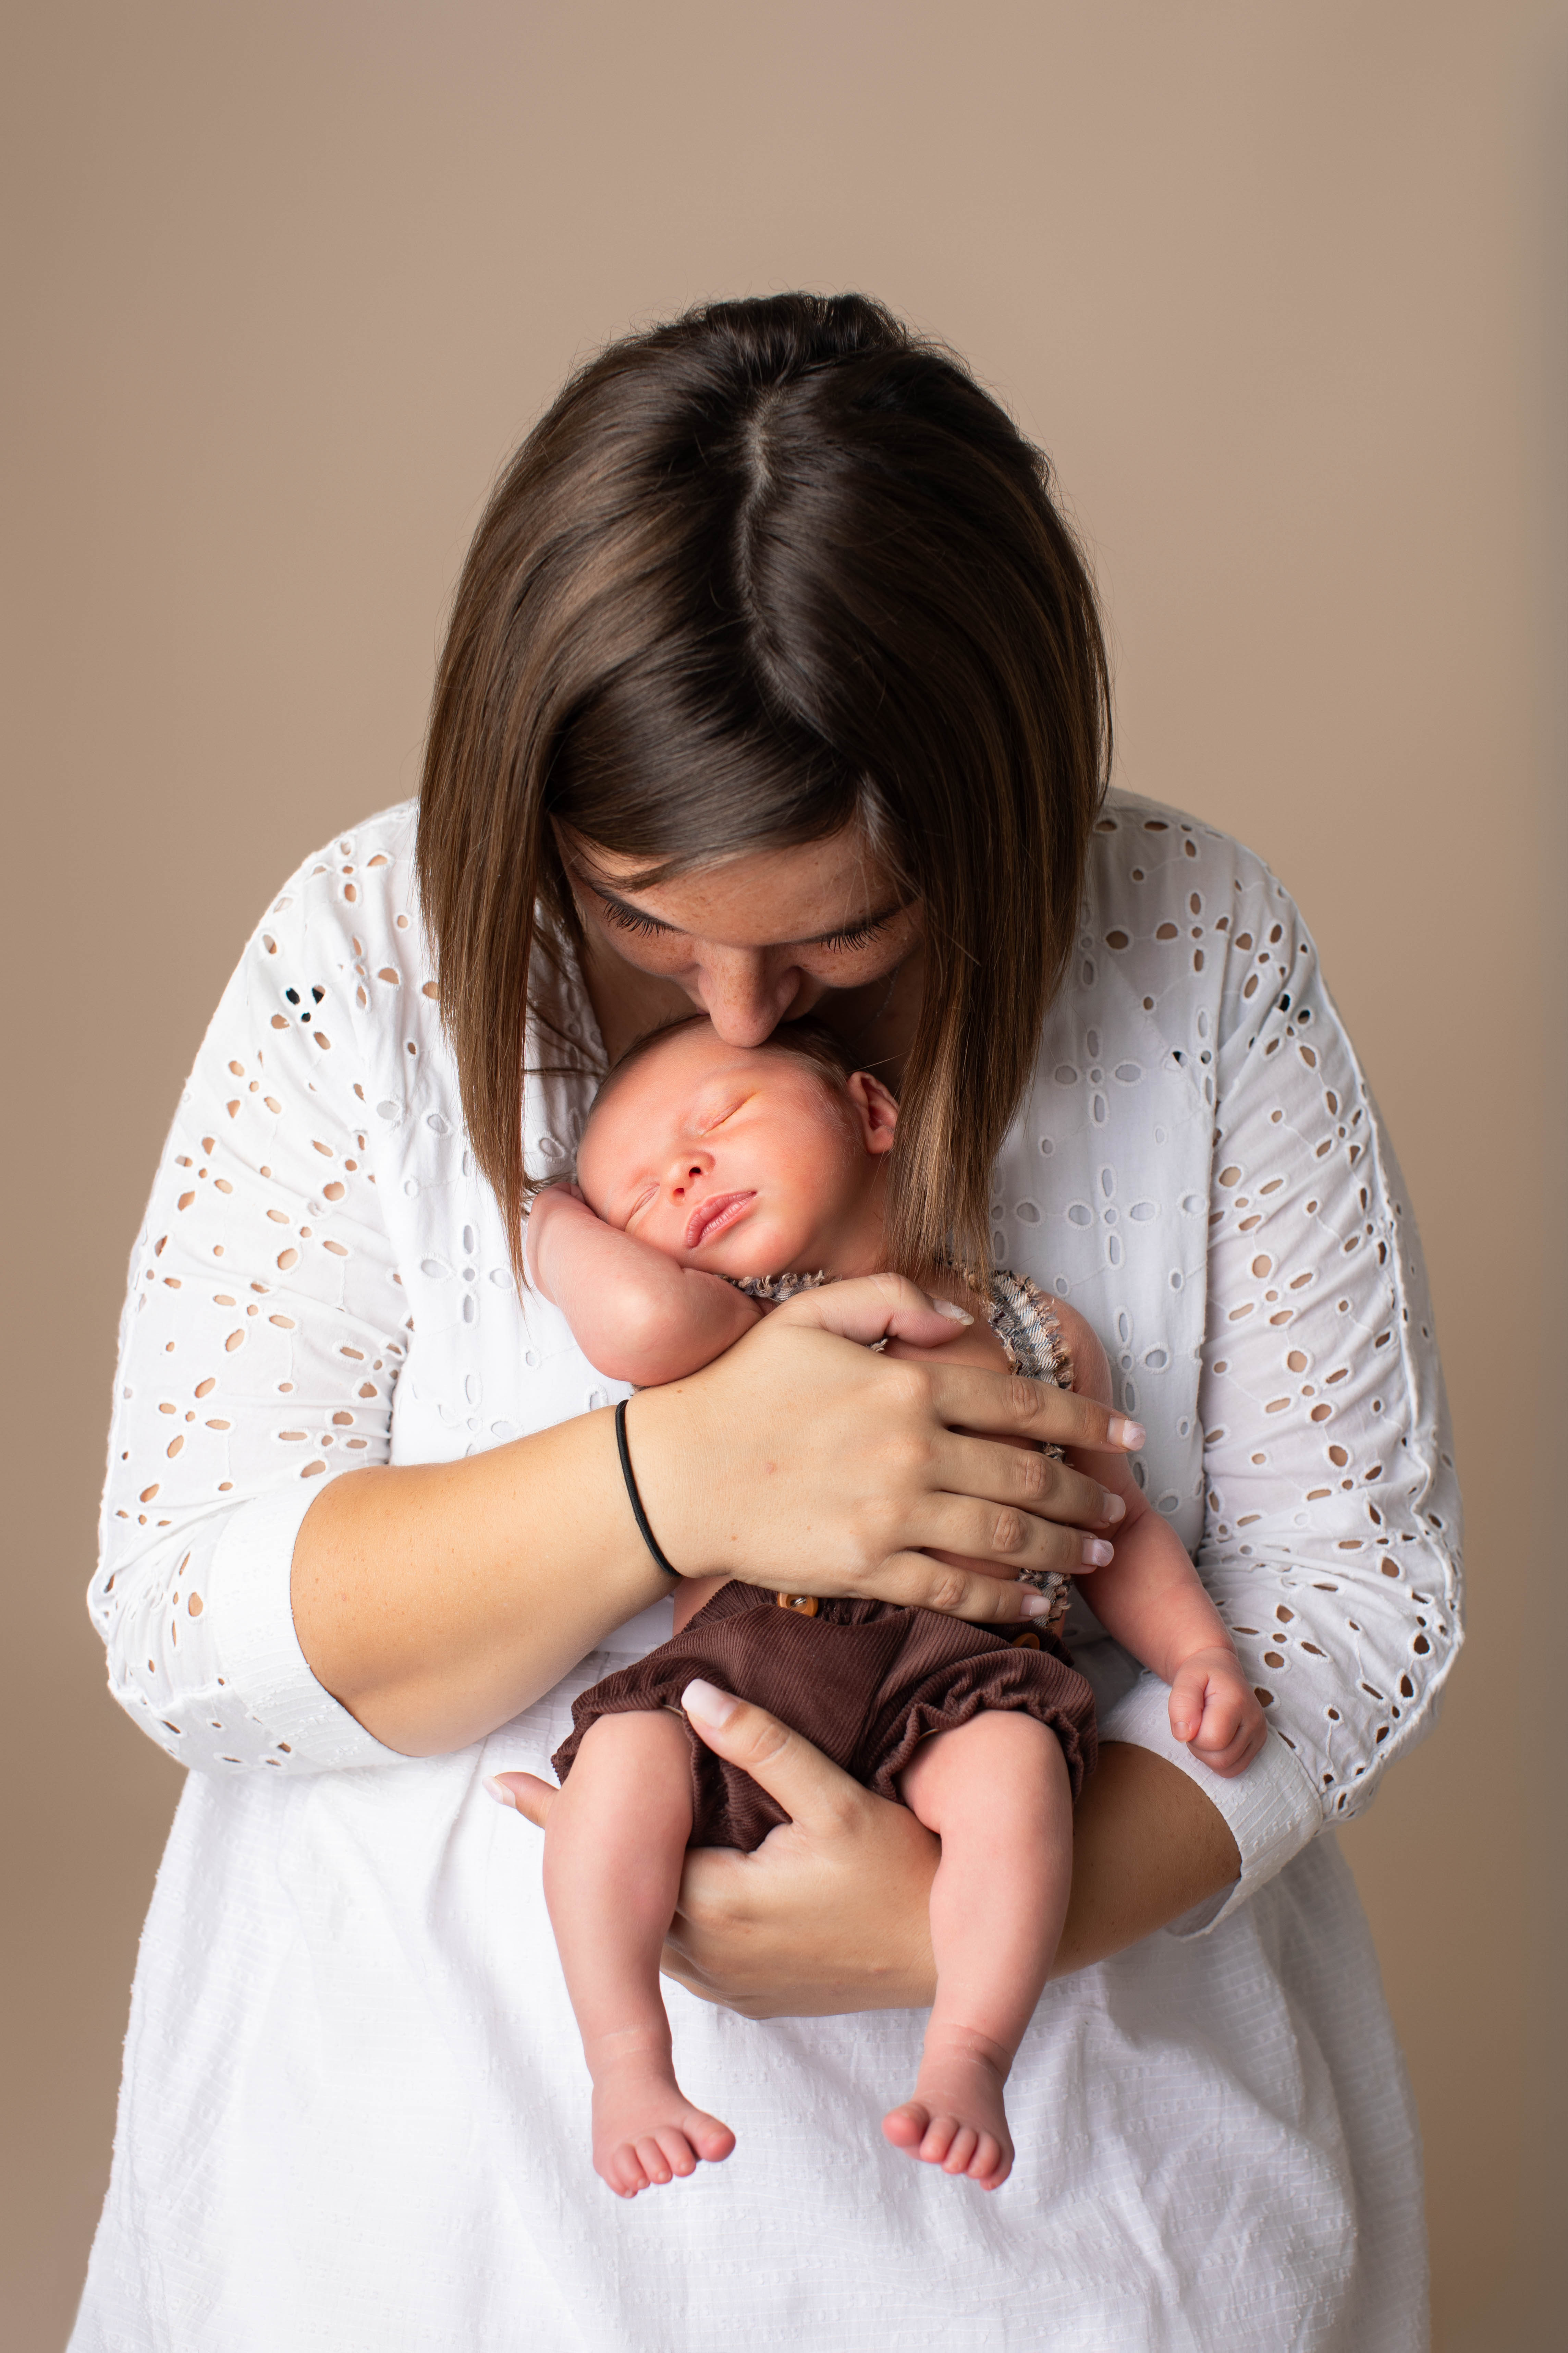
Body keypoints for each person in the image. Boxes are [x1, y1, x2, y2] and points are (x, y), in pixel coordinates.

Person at [74, 293, 1458, 2352]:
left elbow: (1353, 1605)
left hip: (1083, 2234)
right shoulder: (365, 958)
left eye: (849, 929)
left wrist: (978, 1924)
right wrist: (669, 1483)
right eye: (640, 914)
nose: (737, 1009)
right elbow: (186, 1629)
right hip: (436, 2221)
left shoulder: (1191, 949)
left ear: (998, 820)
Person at [529, 1012, 1267, 2197]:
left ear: (873, 1112)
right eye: (639, 1196)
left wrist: (1199, 1655)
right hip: (745, 1659)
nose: (684, 1175)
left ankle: (969, 2050)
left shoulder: (1030, 1333)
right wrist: (553, 1221)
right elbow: (636, 1314)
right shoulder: (726, 1332)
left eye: (716, 1120)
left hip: (962, 1670)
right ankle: (626, 2060)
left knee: (1019, 1780)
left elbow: (1112, 1525)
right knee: (621, 1761)